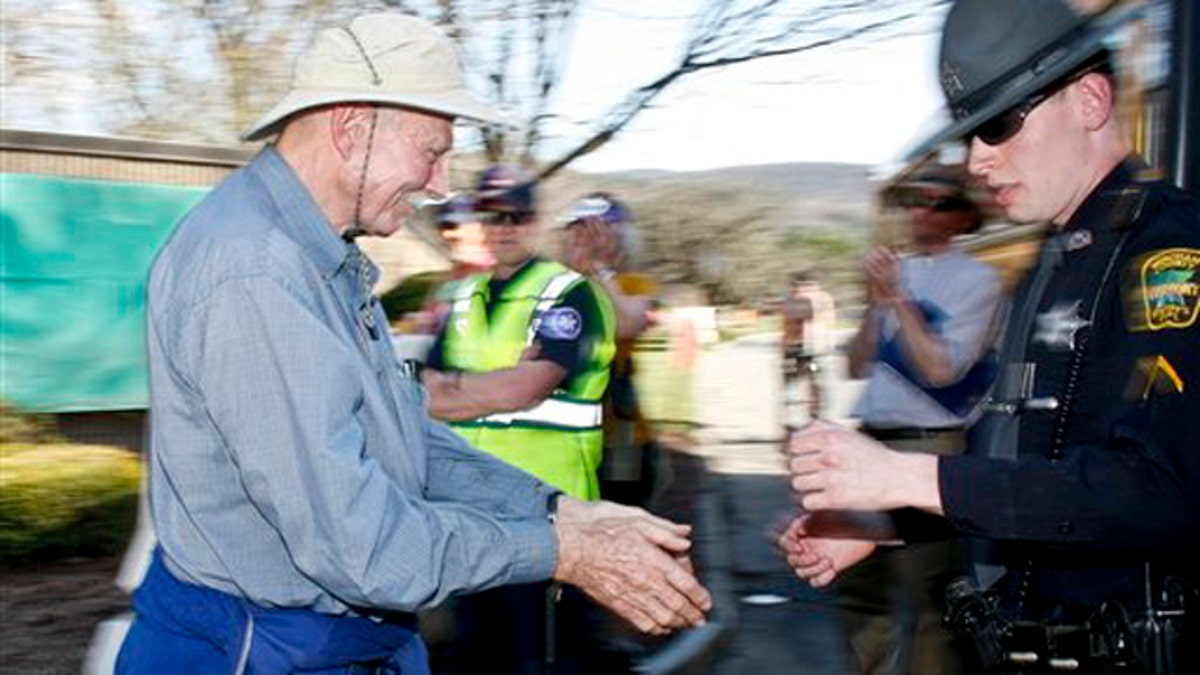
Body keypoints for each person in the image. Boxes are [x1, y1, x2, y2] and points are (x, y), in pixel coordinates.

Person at [116, 14, 710, 674]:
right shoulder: (257, 272)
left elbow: (405, 436)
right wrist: (561, 550)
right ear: (352, 129)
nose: (441, 184)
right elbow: (364, 549)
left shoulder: (321, 258)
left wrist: (561, 509)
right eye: (432, 150)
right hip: (260, 651)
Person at [782, 0, 1198, 672]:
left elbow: (1160, 485)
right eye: (970, 133)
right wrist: (886, 519)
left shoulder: (1168, 248)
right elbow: (1017, 458)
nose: (976, 161)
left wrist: (905, 473)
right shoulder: (1059, 255)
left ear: (1090, 100)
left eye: (1000, 125)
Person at [420, 167, 618, 674]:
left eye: (516, 215)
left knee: (546, 661)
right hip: (473, 523)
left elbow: (523, 388)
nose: (503, 226)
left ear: (534, 222)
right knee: (476, 659)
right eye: (491, 215)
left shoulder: (569, 295)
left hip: (551, 520)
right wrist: (490, 387)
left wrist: (457, 388)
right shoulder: (462, 299)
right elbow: (423, 394)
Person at [835, 168, 1005, 675]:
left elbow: (939, 367)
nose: (919, 212)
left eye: (936, 202)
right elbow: (854, 364)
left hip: (929, 448)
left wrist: (899, 300)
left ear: (963, 215)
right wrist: (875, 301)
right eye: (914, 201)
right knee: (859, 586)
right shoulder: (895, 272)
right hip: (872, 442)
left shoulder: (979, 279)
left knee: (929, 599)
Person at [561, 192, 660, 506]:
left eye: (597, 231)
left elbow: (626, 324)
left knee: (620, 508)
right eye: (580, 231)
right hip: (570, 426)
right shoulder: (560, 283)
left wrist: (598, 271)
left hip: (621, 429)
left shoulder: (636, 284)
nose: (587, 239)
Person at [781, 271, 836, 424]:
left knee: (815, 382)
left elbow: (828, 321)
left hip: (815, 347)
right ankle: (794, 418)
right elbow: (787, 324)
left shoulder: (822, 298)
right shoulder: (791, 300)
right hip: (796, 346)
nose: (804, 290)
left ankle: (816, 416)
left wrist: (827, 342)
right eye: (802, 286)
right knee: (795, 384)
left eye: (809, 286)